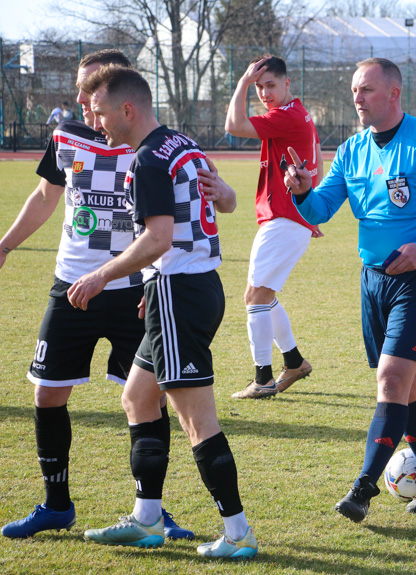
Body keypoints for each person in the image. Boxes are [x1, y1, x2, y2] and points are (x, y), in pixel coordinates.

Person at [0, 49, 193, 541]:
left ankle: (152, 510)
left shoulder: (147, 141)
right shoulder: (65, 136)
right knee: (47, 393)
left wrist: (160, 278)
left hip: (134, 288)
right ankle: (56, 504)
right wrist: (5, 245)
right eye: (83, 91)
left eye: (95, 92)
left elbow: (175, 221)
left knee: (148, 399)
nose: (87, 102)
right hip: (72, 285)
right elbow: (45, 197)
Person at [284, 57, 416, 523]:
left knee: (392, 379)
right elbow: (319, 210)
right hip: (372, 281)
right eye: (355, 90)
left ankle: (363, 488)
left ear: (394, 94)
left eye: (367, 90)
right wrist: (300, 191)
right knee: (408, 386)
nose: (358, 98)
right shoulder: (352, 150)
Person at [74, 65, 257, 560]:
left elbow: (157, 238)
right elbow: (228, 201)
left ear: (127, 110)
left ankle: (238, 532)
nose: (98, 124)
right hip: (184, 289)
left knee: (198, 420)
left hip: (180, 295)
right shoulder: (181, 144)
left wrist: (100, 276)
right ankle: (147, 517)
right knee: (137, 397)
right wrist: (153, 284)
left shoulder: (149, 160)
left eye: (102, 113)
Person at [225, 55, 321, 400]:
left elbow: (233, 126)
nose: (265, 93)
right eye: (259, 87)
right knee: (264, 295)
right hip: (286, 217)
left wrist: (241, 83)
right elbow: (318, 151)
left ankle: (263, 379)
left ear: (287, 85)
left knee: (255, 296)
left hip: (282, 218)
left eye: (270, 86)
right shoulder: (299, 113)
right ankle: (294, 362)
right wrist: (312, 209)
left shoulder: (285, 115)